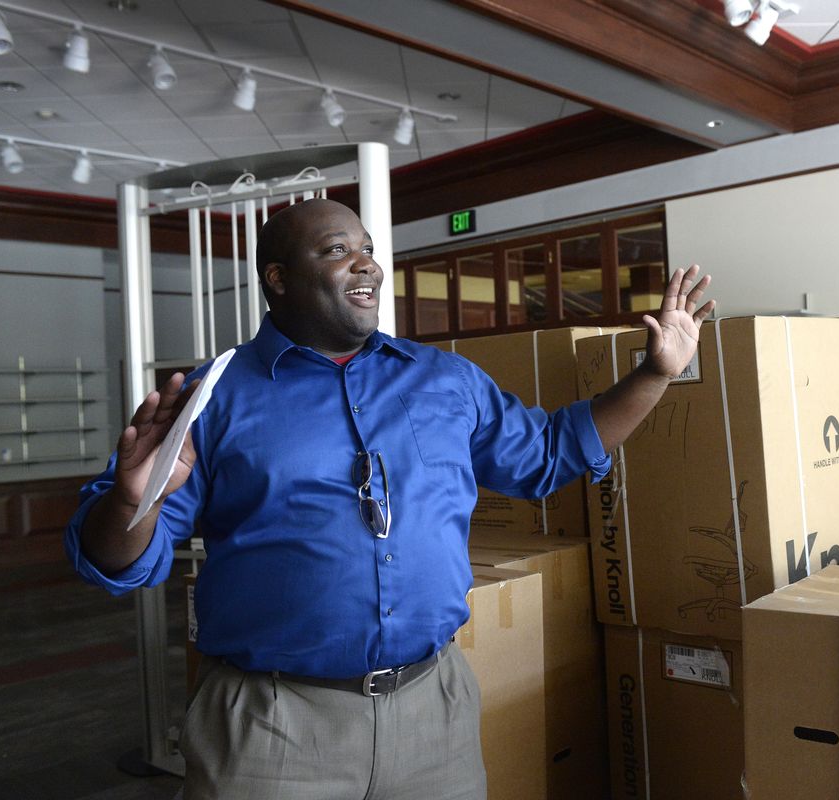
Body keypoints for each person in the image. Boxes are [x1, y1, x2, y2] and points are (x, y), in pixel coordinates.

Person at [65, 198, 713, 800]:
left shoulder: (444, 380)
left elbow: (547, 455)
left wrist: (656, 372)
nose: (366, 260)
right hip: (274, 726)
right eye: (336, 249)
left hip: (434, 709)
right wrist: (130, 501)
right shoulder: (215, 394)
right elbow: (122, 564)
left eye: (368, 247)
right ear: (279, 278)